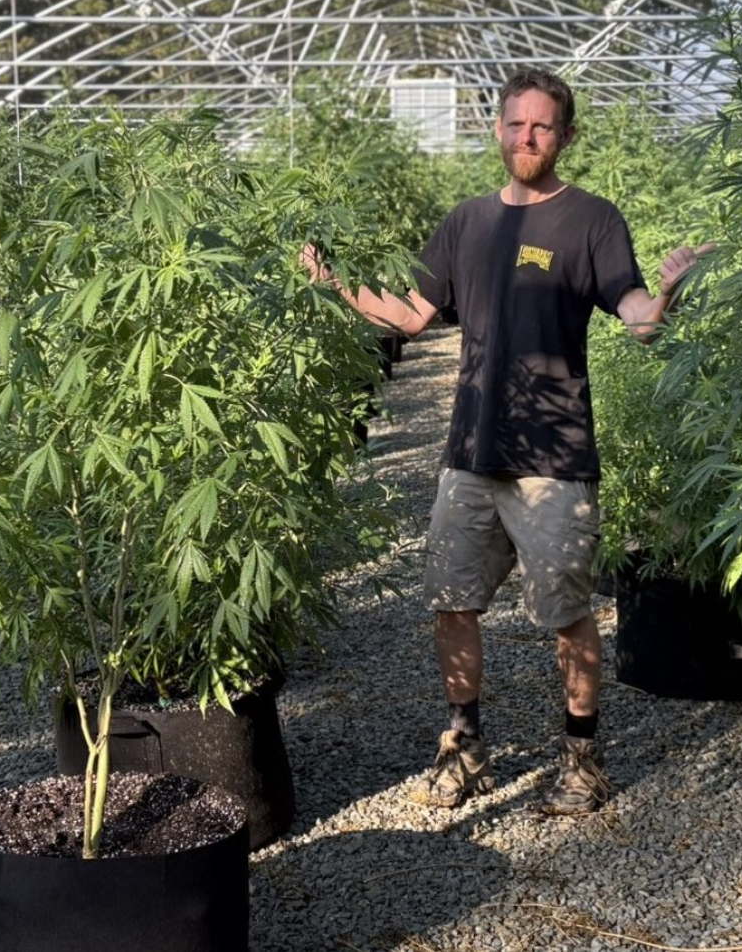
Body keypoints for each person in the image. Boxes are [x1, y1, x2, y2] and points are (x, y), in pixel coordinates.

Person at [301, 68, 709, 816]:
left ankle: (581, 758)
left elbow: (639, 318)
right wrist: (334, 281)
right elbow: (412, 314)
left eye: (543, 127)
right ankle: (466, 747)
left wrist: (670, 290)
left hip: (555, 461)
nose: (528, 138)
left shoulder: (591, 220)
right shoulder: (466, 223)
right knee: (452, 603)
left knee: (566, 612)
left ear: (566, 135)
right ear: (497, 129)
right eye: (517, 124)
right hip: (471, 453)